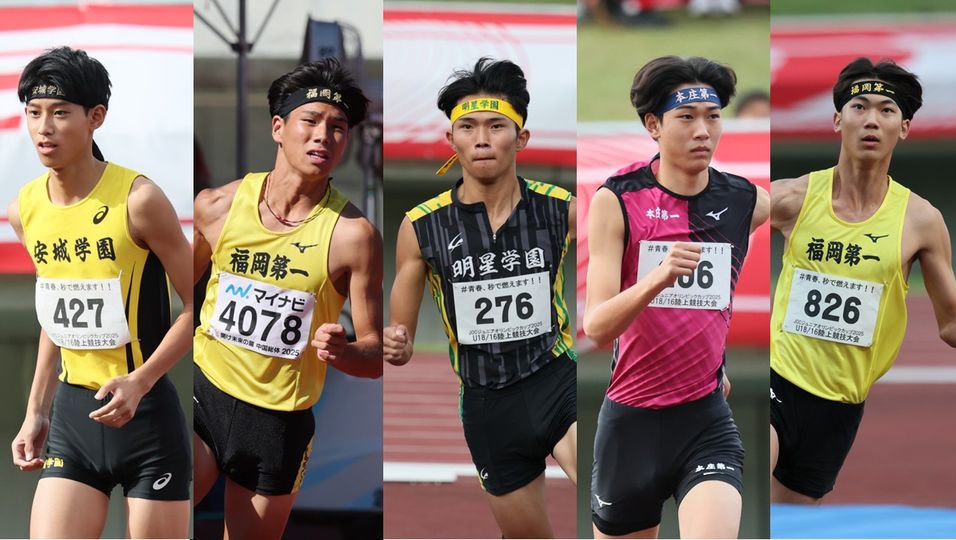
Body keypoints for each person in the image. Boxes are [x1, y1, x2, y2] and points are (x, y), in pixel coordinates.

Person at [383, 57, 577, 539]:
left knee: (610, 498)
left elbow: (624, 263)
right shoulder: (421, 226)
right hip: (487, 402)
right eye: (468, 127)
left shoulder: (563, 210)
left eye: (496, 126)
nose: (482, 138)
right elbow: (400, 337)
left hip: (556, 380)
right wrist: (398, 343)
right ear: (451, 139)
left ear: (521, 138)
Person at [192, 57, 383, 539]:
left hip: (278, 423)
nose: (324, 136)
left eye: (338, 128)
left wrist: (342, 351)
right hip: (204, 393)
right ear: (278, 127)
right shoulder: (216, 207)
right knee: (157, 519)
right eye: (311, 121)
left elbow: (374, 357)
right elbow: (174, 298)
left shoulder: (353, 236)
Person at [7, 46, 192, 538]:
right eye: (34, 113)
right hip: (73, 418)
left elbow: (200, 306)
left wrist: (141, 381)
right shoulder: (24, 208)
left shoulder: (140, 199)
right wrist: (36, 412)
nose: (44, 128)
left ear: (96, 117)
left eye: (60, 113)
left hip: (146, 418)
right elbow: (55, 316)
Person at [583, 55, 769, 539]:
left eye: (713, 116)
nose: (703, 131)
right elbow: (597, 326)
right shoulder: (617, 200)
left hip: (705, 419)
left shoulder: (747, 201)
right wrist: (656, 279)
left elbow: (716, 302)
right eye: (686, 117)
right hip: (631, 424)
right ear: (653, 125)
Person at [770, 57, 956, 504]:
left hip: (840, 404)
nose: (871, 120)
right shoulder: (791, 198)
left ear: (904, 128)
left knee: (791, 522)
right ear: (838, 120)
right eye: (859, 107)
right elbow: (718, 222)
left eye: (886, 110)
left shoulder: (921, 220)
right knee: (744, 492)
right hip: (778, 377)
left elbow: (952, 325)